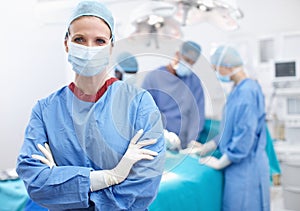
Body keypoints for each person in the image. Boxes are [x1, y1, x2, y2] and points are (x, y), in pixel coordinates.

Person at [16, 1, 165, 210]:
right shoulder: (45, 111)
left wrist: (65, 184)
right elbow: (35, 181)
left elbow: (144, 184)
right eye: (79, 39)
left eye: (99, 41)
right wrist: (110, 177)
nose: (89, 48)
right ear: (66, 43)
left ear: (112, 47)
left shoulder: (139, 103)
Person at [198, 46, 270, 211]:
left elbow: (244, 135)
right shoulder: (237, 89)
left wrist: (223, 161)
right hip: (238, 168)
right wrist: (210, 145)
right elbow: (230, 127)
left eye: (216, 68)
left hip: (247, 170)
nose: (216, 73)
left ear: (228, 67)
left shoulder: (247, 92)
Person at [142, 41, 205, 150]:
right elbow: (145, 112)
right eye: (186, 60)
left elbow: (197, 115)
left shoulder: (194, 82)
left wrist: (192, 142)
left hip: (183, 144)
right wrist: (161, 136)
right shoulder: (154, 77)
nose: (188, 65)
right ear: (177, 54)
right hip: (157, 141)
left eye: (191, 63)